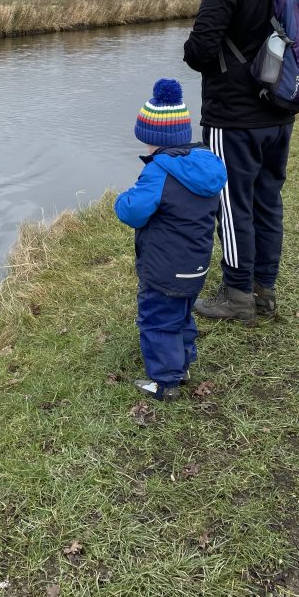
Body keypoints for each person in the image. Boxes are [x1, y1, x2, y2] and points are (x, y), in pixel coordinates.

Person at [183, 0, 295, 323]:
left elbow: (198, 51)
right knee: (268, 200)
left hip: (233, 116)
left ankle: (237, 298)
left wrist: (218, 67)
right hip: (281, 110)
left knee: (231, 206)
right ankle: (264, 289)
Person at [114, 79, 227, 401]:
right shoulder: (206, 165)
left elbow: (133, 212)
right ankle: (184, 363)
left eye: (147, 142)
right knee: (182, 314)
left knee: (157, 320)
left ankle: (165, 383)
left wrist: (122, 198)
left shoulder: (159, 172)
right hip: (196, 263)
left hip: (163, 267)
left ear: (153, 140)